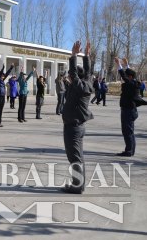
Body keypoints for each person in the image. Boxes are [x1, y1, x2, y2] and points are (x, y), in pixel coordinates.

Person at [61, 40, 94, 194]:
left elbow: (75, 73)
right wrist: (86, 56)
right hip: (78, 126)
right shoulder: (87, 83)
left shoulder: (79, 86)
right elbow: (87, 73)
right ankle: (79, 184)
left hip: (73, 127)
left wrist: (74, 55)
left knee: (74, 158)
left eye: (71, 77)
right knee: (78, 157)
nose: (69, 77)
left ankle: (77, 186)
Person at [115, 58, 147, 157]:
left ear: (130, 77)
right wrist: (127, 65)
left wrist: (119, 65)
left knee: (127, 132)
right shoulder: (134, 82)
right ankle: (131, 150)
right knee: (130, 132)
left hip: (128, 111)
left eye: (127, 76)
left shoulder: (130, 84)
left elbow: (124, 76)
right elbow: (128, 75)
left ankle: (129, 151)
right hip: (131, 110)